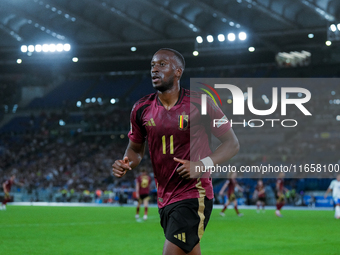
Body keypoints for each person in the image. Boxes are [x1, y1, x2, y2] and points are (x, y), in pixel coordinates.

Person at [112, 48, 239, 255]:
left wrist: (201, 165)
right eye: (153, 65)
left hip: (193, 194)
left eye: (162, 64)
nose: (154, 69)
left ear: (178, 72)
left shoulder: (201, 103)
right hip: (164, 198)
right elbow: (135, 150)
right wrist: (127, 162)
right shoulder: (141, 108)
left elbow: (232, 144)